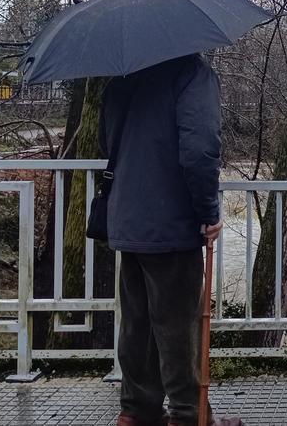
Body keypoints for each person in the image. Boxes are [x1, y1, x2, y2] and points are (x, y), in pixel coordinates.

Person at [101, 53, 239, 426]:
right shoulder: (192, 73)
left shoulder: (126, 73)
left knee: (138, 323)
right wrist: (208, 212)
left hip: (127, 219)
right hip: (171, 223)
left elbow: (108, 140)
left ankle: (135, 412)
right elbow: (200, 151)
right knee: (178, 325)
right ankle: (189, 416)